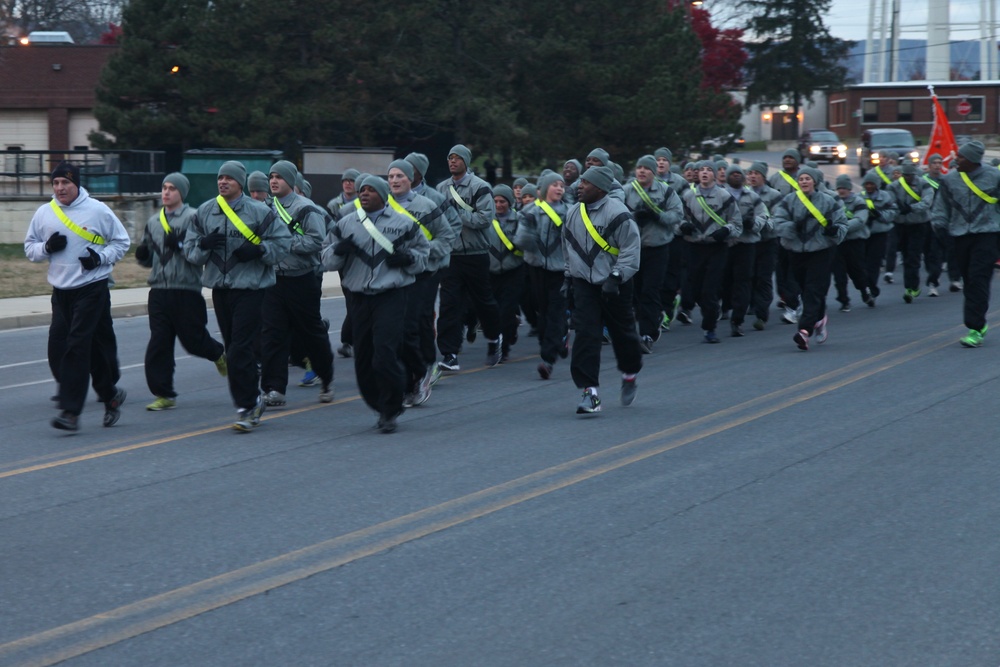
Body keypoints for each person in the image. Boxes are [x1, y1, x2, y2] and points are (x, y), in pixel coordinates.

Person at [184, 160, 292, 432]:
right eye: (220, 177)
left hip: (251, 288)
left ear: (239, 183)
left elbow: (283, 244)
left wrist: (259, 251)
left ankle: (247, 406)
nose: (222, 182)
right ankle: (252, 399)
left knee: (239, 348)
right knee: (233, 348)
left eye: (229, 179)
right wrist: (203, 246)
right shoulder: (205, 211)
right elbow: (190, 249)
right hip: (220, 289)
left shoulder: (259, 211)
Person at [24, 161, 130, 431]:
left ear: (77, 184)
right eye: (56, 183)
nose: (60, 188)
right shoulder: (44, 213)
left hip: (91, 288)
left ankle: (71, 412)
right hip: (61, 291)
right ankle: (110, 395)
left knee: (77, 345)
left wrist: (100, 258)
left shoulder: (97, 210)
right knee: (63, 348)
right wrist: (46, 247)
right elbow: (30, 248)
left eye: (65, 183)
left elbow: (122, 241)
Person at [322, 176, 430, 432]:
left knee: (385, 354)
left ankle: (391, 409)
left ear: (383, 195)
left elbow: (424, 257)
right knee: (364, 360)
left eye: (371, 190)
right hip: (358, 298)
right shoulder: (346, 223)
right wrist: (338, 251)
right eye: (362, 190)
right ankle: (379, 405)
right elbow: (325, 259)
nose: (365, 194)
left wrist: (408, 258)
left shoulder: (404, 223)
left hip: (390, 296)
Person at [134, 172, 227, 411]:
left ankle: (218, 354)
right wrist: (143, 257)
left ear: (182, 193)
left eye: (172, 188)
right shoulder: (154, 222)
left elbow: (201, 255)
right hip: (159, 291)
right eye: (164, 188)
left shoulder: (194, 217)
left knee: (193, 341)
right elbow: (150, 256)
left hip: (186, 290)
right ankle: (164, 394)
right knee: (159, 343)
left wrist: (185, 246)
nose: (166, 192)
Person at [562, 165, 642, 414]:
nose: (579, 187)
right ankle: (590, 392)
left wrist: (616, 277)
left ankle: (630, 373)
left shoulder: (619, 214)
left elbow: (630, 250)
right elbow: (568, 249)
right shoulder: (573, 213)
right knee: (586, 334)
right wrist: (568, 278)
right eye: (580, 182)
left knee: (623, 334)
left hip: (615, 284)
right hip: (584, 285)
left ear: (600, 188)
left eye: (585, 183)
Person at [258, 160, 334, 408]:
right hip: (273, 280)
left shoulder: (307, 208)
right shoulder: (265, 208)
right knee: (272, 336)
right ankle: (273, 388)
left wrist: (284, 243)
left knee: (311, 333)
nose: (273, 181)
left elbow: (316, 242)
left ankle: (326, 378)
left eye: (279, 176)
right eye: (271, 176)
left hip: (301, 279)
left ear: (291, 181)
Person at [386, 158, 453, 405]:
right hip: (392, 275)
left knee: (410, 326)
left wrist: (418, 253)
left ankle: (416, 378)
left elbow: (446, 237)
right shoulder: (382, 205)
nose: (394, 180)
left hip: (422, 273)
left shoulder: (426, 204)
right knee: (393, 331)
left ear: (410, 179)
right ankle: (412, 374)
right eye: (391, 176)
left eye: (400, 176)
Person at [435, 144, 504, 371]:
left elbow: (484, 219)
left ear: (466, 161)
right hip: (451, 255)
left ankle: (495, 339)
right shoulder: (441, 188)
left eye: (457, 158)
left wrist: (457, 214)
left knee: (484, 302)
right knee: (449, 305)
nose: (452, 161)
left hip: (476, 254)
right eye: (449, 158)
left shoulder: (480, 187)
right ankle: (449, 353)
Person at [930, 140, 1000, 347]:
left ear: (973, 160)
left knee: (979, 279)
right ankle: (978, 321)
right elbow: (941, 206)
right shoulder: (950, 180)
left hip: (988, 234)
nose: (956, 160)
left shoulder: (995, 177)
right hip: (959, 236)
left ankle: (975, 328)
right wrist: (939, 226)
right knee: (969, 280)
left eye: (960, 157)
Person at [772, 167, 848, 351]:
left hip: (821, 251)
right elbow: (778, 222)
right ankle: (820, 319)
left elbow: (842, 223)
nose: (804, 181)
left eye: (807, 179)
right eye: (801, 179)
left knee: (813, 290)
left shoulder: (828, 201)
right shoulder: (788, 201)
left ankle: (804, 331)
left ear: (814, 181)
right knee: (804, 289)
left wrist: (834, 231)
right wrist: (792, 227)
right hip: (796, 251)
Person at [677, 160, 742, 343]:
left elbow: (737, 223)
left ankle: (709, 328)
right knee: (695, 289)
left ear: (714, 174)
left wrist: (726, 231)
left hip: (716, 248)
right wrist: (683, 226)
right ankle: (704, 309)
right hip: (694, 247)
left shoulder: (724, 196)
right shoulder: (688, 196)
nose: (704, 173)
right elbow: (677, 218)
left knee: (710, 290)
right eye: (701, 170)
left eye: (708, 170)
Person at [624, 154, 682, 350]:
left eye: (646, 168)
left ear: (654, 172)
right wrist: (633, 216)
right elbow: (614, 214)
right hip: (633, 249)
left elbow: (677, 214)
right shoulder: (626, 191)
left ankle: (647, 334)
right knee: (636, 292)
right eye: (639, 167)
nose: (641, 171)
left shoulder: (666, 192)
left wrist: (657, 215)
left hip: (657, 248)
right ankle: (654, 318)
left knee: (650, 290)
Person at [515, 172, 570, 379]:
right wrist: (529, 232)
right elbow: (520, 241)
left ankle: (547, 360)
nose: (559, 188)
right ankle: (560, 337)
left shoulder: (569, 211)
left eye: (561, 186)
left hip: (560, 269)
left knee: (555, 311)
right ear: (545, 188)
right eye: (555, 185)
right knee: (543, 311)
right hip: (536, 268)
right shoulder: (530, 211)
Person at [720, 165, 768, 337]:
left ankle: (737, 319)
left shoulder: (752, 197)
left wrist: (752, 224)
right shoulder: (720, 195)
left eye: (739, 173)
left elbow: (763, 216)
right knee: (725, 280)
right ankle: (724, 306)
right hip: (725, 244)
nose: (736, 176)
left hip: (746, 244)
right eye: (732, 173)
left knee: (743, 281)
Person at [487, 185, 525, 363]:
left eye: (502, 201)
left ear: (509, 202)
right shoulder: (486, 219)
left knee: (507, 309)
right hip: (491, 271)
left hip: (513, 270)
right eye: (495, 201)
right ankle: (497, 340)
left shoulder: (519, 219)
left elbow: (526, 240)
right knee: (492, 310)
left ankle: (504, 347)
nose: (498, 205)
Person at [888, 163, 935, 303]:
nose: (908, 177)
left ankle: (912, 287)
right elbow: (889, 201)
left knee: (913, 256)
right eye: (906, 175)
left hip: (919, 224)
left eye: (910, 175)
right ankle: (909, 285)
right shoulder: (894, 186)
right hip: (901, 225)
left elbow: (927, 202)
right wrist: (898, 208)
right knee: (905, 254)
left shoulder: (924, 184)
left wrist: (911, 208)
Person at [745, 161, 782, 330]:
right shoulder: (743, 194)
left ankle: (762, 314)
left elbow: (777, 219)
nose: (752, 176)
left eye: (756, 173)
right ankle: (752, 302)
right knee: (749, 275)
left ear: (763, 176)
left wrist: (761, 224)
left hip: (768, 242)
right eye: (750, 173)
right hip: (749, 242)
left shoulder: (774, 195)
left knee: (764, 277)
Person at [831, 174, 875, 312]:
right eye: (839, 188)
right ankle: (844, 300)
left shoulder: (858, 201)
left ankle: (865, 291)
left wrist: (840, 228)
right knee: (839, 274)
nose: (841, 190)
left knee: (857, 270)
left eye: (844, 187)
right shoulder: (832, 201)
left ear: (849, 188)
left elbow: (860, 220)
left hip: (855, 241)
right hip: (838, 243)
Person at [860, 170, 899, 305]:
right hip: (863, 234)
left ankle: (872, 287)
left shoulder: (885, 196)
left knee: (874, 263)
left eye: (871, 184)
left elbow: (893, 212)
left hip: (880, 233)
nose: (869, 186)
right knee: (862, 264)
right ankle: (867, 287)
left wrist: (879, 215)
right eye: (867, 184)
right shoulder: (860, 197)